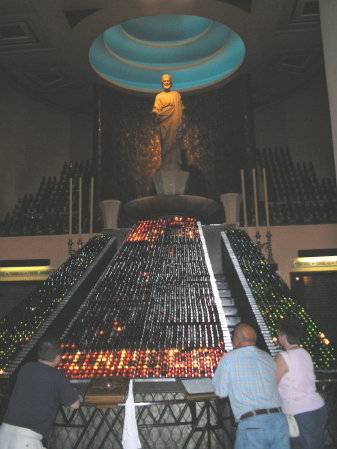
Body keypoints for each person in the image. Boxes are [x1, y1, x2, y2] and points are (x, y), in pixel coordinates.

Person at [212, 323, 290, 449]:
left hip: (253, 425)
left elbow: (221, 393)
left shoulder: (229, 359)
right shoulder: (267, 357)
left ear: (236, 338)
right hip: (279, 421)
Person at [0, 336, 80, 449]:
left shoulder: (25, 369)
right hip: (26, 440)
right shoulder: (57, 376)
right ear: (58, 358)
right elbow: (75, 404)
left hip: (4, 433)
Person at [276, 317, 327, 449]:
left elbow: (271, 384)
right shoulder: (305, 353)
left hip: (300, 414)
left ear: (283, 336)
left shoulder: (282, 357)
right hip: (318, 407)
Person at [152, 74, 185, 170]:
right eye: (164, 81)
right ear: (162, 83)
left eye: (168, 81)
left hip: (174, 120)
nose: (166, 82)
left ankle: (174, 161)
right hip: (164, 122)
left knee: (174, 139)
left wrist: (182, 110)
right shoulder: (159, 96)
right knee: (165, 140)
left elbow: (180, 107)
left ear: (171, 83)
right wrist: (155, 112)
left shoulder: (176, 95)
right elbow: (156, 108)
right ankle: (166, 161)